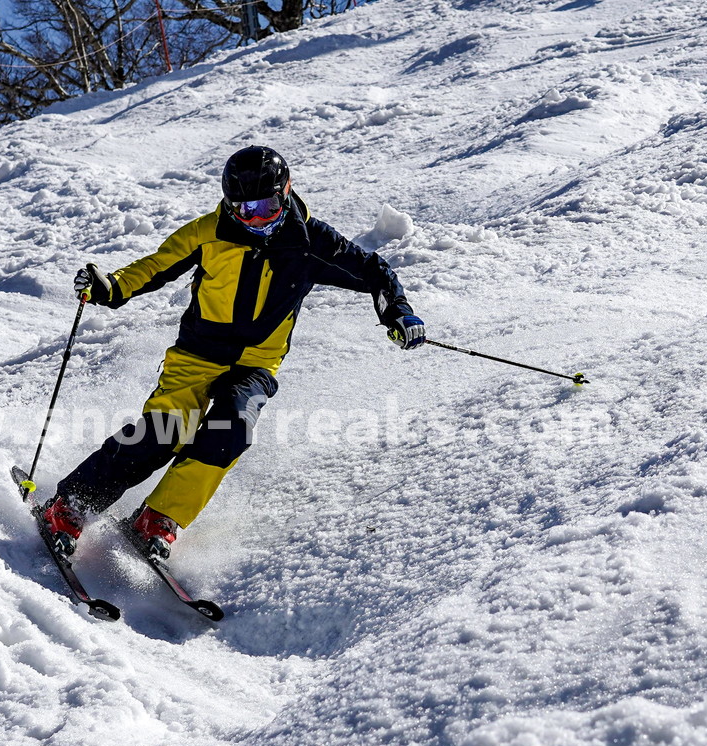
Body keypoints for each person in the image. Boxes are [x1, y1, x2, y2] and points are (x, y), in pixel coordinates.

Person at [40, 145, 426, 557]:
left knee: (231, 430)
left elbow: (374, 271)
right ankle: (71, 505)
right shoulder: (209, 232)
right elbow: (155, 266)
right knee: (165, 432)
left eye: (266, 205)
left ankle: (158, 516)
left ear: (286, 192)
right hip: (196, 356)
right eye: (243, 209)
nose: (255, 218)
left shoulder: (311, 242)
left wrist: (398, 313)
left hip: (257, 364)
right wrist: (110, 286)